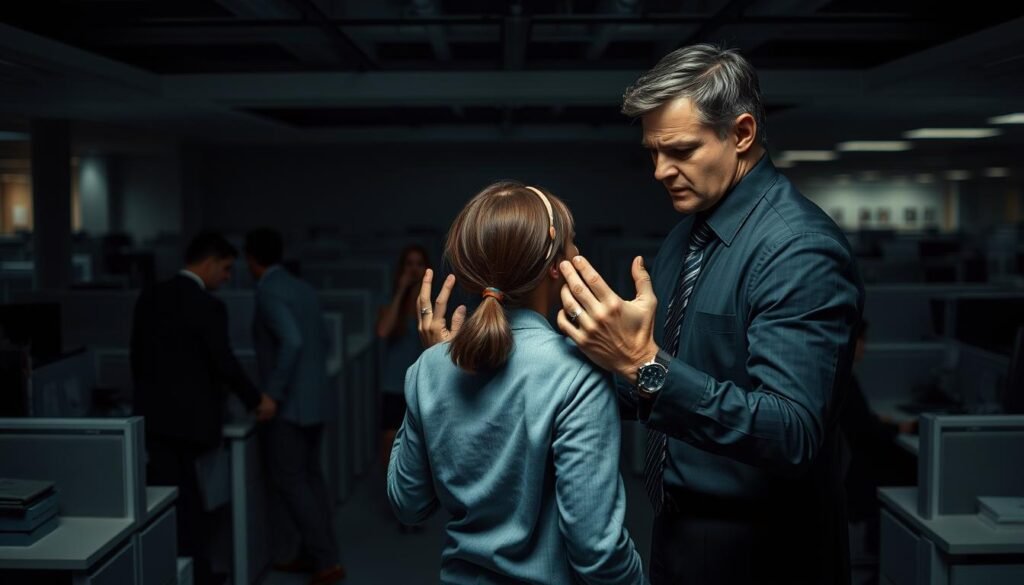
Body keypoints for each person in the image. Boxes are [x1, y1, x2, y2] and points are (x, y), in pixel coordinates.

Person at [554, 44, 865, 584]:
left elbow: (792, 432)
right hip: (680, 530)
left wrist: (643, 364)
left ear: (741, 134)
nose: (659, 171)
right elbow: (658, 382)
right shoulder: (689, 234)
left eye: (679, 150)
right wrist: (521, 368)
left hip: (764, 551)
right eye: (652, 152)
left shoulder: (797, 249)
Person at [389, 181, 644, 585]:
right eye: (572, 244)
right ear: (556, 266)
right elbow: (597, 552)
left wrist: (428, 365)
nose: (579, 253)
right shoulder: (578, 374)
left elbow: (407, 504)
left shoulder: (429, 368)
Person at [131, 232, 277, 585]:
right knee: (193, 507)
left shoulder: (150, 296)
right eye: (225, 269)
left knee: (167, 505)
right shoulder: (208, 305)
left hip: (155, 420)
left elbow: (138, 358)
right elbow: (223, 363)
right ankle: (198, 574)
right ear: (209, 262)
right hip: (194, 424)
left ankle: (178, 572)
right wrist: (257, 400)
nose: (227, 278)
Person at [245, 228, 345, 585]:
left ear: (251, 259)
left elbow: (291, 341)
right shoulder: (301, 286)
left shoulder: (268, 291)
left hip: (290, 407)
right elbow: (323, 338)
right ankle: (319, 554)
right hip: (315, 401)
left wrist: (271, 393)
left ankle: (325, 561)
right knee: (311, 481)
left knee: (292, 483)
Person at [841, 319, 916, 560]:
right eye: (863, 341)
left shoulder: (841, 378)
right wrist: (898, 427)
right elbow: (867, 431)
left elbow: (861, 421)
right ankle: (888, 552)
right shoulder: (846, 381)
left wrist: (881, 421)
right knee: (909, 467)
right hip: (864, 469)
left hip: (858, 464)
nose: (866, 347)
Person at [374, 245, 430, 465]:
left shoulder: (433, 302)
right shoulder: (389, 300)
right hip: (394, 384)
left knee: (420, 443)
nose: (414, 269)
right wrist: (401, 291)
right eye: (409, 264)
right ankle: (390, 493)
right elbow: (382, 331)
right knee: (389, 439)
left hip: (423, 384)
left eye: (419, 264)